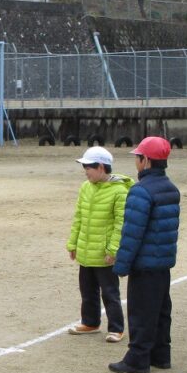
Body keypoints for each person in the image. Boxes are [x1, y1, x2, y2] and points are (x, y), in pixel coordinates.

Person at [110, 136, 180, 373]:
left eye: (138, 158)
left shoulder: (140, 191)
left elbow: (132, 232)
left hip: (144, 263)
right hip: (163, 262)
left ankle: (137, 359)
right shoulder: (171, 188)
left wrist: (122, 265)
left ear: (146, 160)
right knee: (161, 310)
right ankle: (161, 354)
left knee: (140, 312)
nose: (136, 162)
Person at [66, 146, 133, 342]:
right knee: (87, 290)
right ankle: (90, 322)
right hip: (86, 250)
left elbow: (121, 224)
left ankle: (116, 328)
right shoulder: (85, 187)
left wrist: (113, 249)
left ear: (101, 167)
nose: (85, 171)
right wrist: (73, 243)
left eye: (88, 167)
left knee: (110, 292)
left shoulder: (120, 191)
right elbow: (78, 217)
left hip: (104, 254)